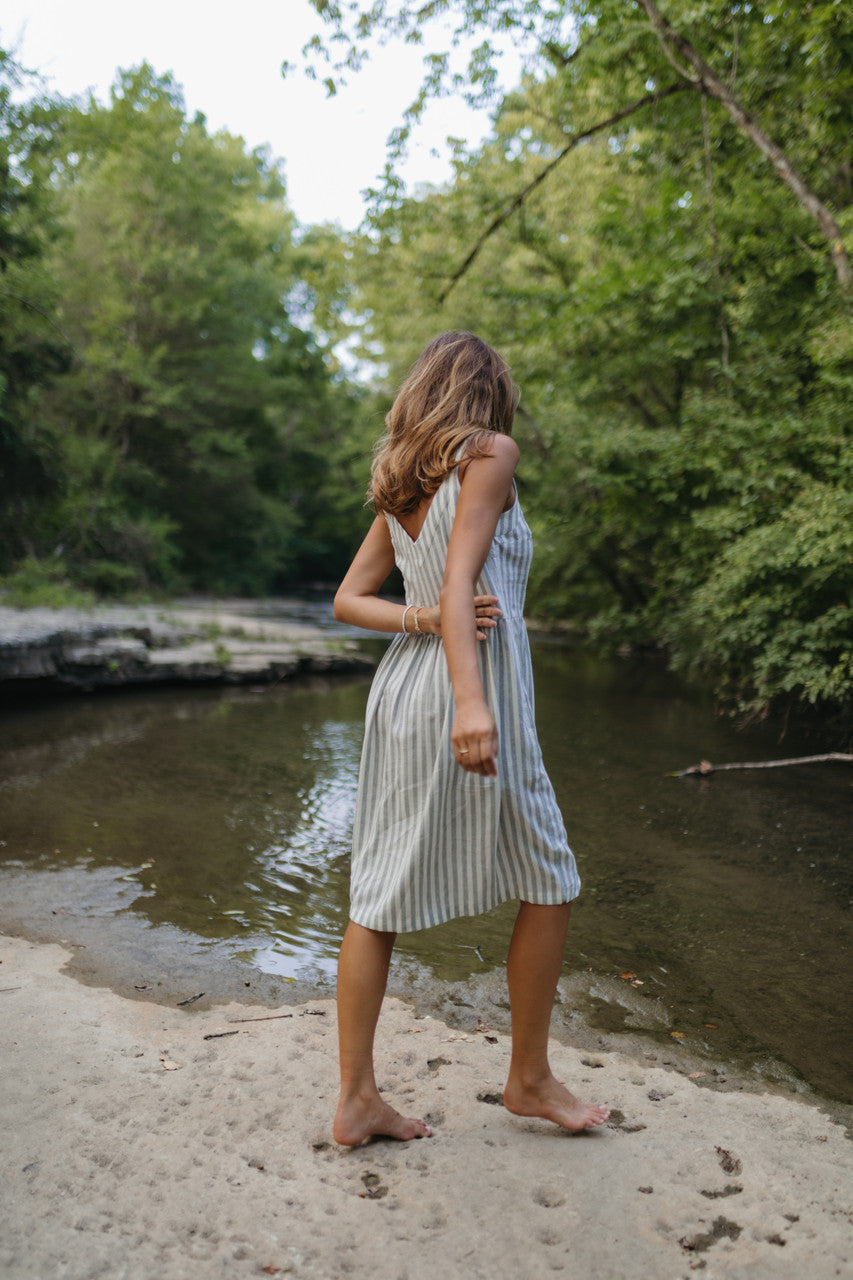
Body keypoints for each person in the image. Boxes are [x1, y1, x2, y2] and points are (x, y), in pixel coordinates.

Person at [332, 331, 609, 1145]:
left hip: (404, 692)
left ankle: (356, 1100)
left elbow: (350, 601)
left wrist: (415, 623)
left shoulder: (402, 480)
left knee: (378, 891)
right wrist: (470, 704)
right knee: (550, 875)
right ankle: (526, 1077)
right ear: (486, 391)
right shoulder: (490, 453)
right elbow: (457, 584)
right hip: (468, 687)